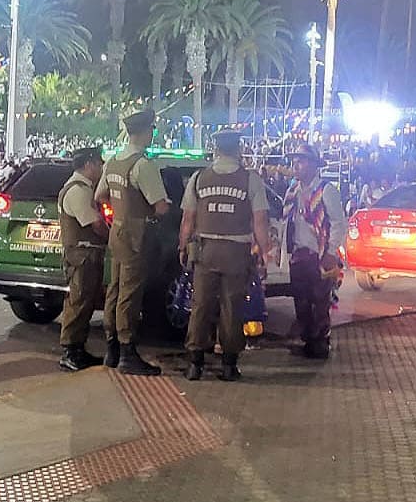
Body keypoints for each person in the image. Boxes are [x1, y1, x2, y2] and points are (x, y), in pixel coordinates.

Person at [179, 131, 269, 381]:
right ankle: (229, 366)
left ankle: (195, 364)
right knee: (232, 307)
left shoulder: (199, 178)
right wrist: (264, 252)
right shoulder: (250, 179)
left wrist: (183, 246)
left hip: (205, 252)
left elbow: (188, 219)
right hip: (236, 254)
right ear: (238, 149)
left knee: (200, 306)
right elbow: (260, 220)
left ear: (216, 150)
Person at [97, 109, 171, 375]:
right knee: (129, 292)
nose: (153, 134)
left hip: (117, 231)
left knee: (115, 288)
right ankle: (127, 352)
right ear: (145, 131)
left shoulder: (113, 162)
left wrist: (120, 211)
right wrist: (144, 214)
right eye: (152, 130)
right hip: (137, 234)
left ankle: (112, 349)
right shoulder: (142, 165)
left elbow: (100, 195)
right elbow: (161, 206)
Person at [282, 144, 346, 359]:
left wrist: (330, 252)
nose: (295, 166)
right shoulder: (293, 191)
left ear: (312, 165)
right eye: (294, 162)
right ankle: (308, 341)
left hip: (319, 256)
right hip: (299, 255)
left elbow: (338, 224)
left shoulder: (326, 190)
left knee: (319, 302)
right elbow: (287, 222)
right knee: (301, 301)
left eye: (300, 161)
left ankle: (319, 344)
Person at [57, 146, 109, 372]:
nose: (101, 168)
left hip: (86, 255)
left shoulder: (82, 187)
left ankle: (78, 349)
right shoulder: (78, 190)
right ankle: (70, 351)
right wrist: (112, 237)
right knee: (78, 303)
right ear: (88, 164)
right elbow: (95, 224)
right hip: (82, 256)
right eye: (99, 164)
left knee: (84, 302)